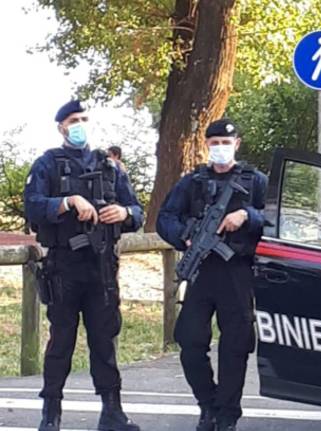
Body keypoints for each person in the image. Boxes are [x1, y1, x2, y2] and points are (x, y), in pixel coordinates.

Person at [24, 100, 143, 431]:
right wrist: (66, 202)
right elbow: (32, 207)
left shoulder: (109, 166)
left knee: (104, 340)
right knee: (61, 341)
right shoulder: (48, 164)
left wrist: (124, 213)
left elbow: (137, 210)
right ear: (61, 126)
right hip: (64, 267)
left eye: (84, 119)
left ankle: (112, 411)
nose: (80, 124)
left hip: (102, 267)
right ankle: (51, 413)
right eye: (74, 120)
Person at [156, 119, 267, 431]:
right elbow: (165, 218)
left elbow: (276, 217)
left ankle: (227, 414)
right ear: (207, 145)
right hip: (202, 271)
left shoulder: (255, 181)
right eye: (214, 142)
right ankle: (208, 404)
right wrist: (185, 236)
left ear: (237, 144)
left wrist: (246, 215)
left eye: (225, 142)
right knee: (188, 338)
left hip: (238, 271)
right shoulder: (192, 182)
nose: (220, 147)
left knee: (235, 345)